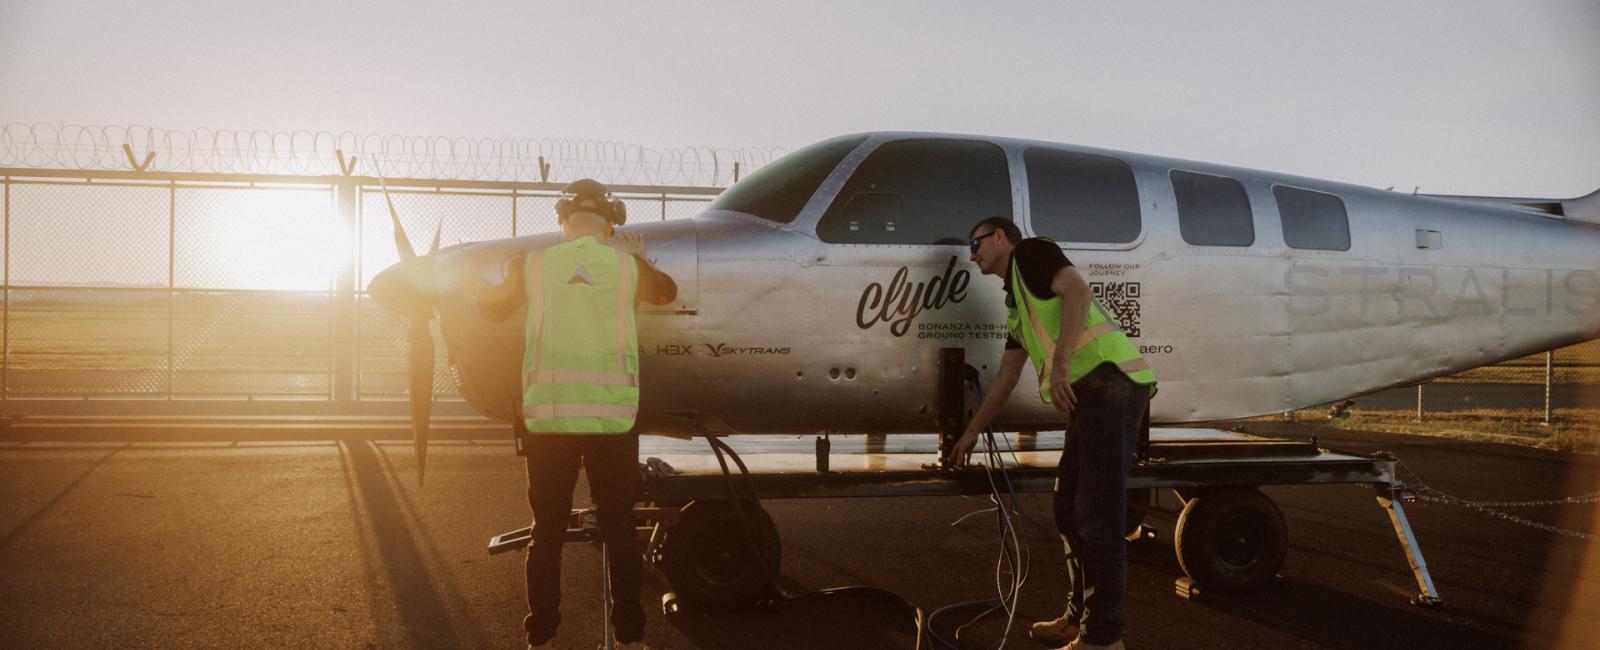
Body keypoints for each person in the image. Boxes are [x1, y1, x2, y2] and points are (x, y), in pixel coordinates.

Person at [478, 178, 677, 649]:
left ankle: (541, 635)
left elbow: (491, 309)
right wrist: (641, 257)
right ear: (611, 223)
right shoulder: (628, 267)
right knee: (619, 528)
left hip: (548, 421)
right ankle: (629, 634)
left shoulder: (532, 265)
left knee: (546, 531)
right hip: (612, 421)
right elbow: (666, 293)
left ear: (562, 221)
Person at [946, 216, 1155, 650]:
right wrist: (969, 434)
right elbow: (1003, 381)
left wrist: (1060, 364)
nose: (972, 254)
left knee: (1098, 518)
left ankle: (1103, 640)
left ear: (1000, 237)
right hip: (1092, 397)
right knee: (1068, 508)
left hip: (1110, 384)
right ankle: (1079, 619)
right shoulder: (1018, 304)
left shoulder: (1032, 252)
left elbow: (1078, 290)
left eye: (976, 242)